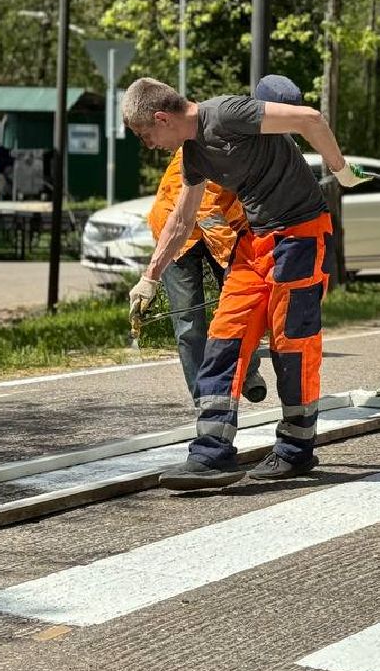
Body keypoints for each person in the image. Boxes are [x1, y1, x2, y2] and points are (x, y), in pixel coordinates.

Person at [121, 76, 367, 488]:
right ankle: (211, 454)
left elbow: (308, 118)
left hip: (300, 233)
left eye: (145, 135)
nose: (149, 145)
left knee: (293, 342)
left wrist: (340, 171)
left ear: (162, 118)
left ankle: (295, 450)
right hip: (254, 242)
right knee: (224, 336)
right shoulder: (194, 155)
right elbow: (182, 220)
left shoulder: (228, 114)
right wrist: (150, 277)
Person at [146, 75, 305, 403]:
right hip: (179, 230)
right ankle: (204, 400)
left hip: (220, 227)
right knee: (191, 320)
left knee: (240, 309)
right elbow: (200, 213)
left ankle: (247, 373)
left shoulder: (266, 134)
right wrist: (151, 276)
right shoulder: (222, 136)